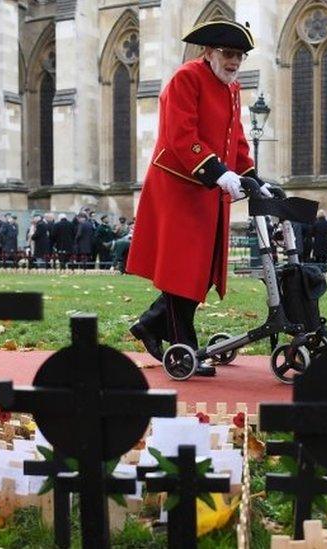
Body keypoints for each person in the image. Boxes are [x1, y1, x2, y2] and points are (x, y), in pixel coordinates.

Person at [126, 19, 273, 372]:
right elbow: (180, 135)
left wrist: (253, 177)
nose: (235, 61)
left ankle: (150, 323)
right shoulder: (186, 78)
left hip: (206, 192)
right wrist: (219, 173)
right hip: (178, 187)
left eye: (240, 55)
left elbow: (236, 139)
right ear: (208, 52)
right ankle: (182, 346)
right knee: (182, 272)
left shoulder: (232, 88)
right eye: (228, 53)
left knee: (203, 272)